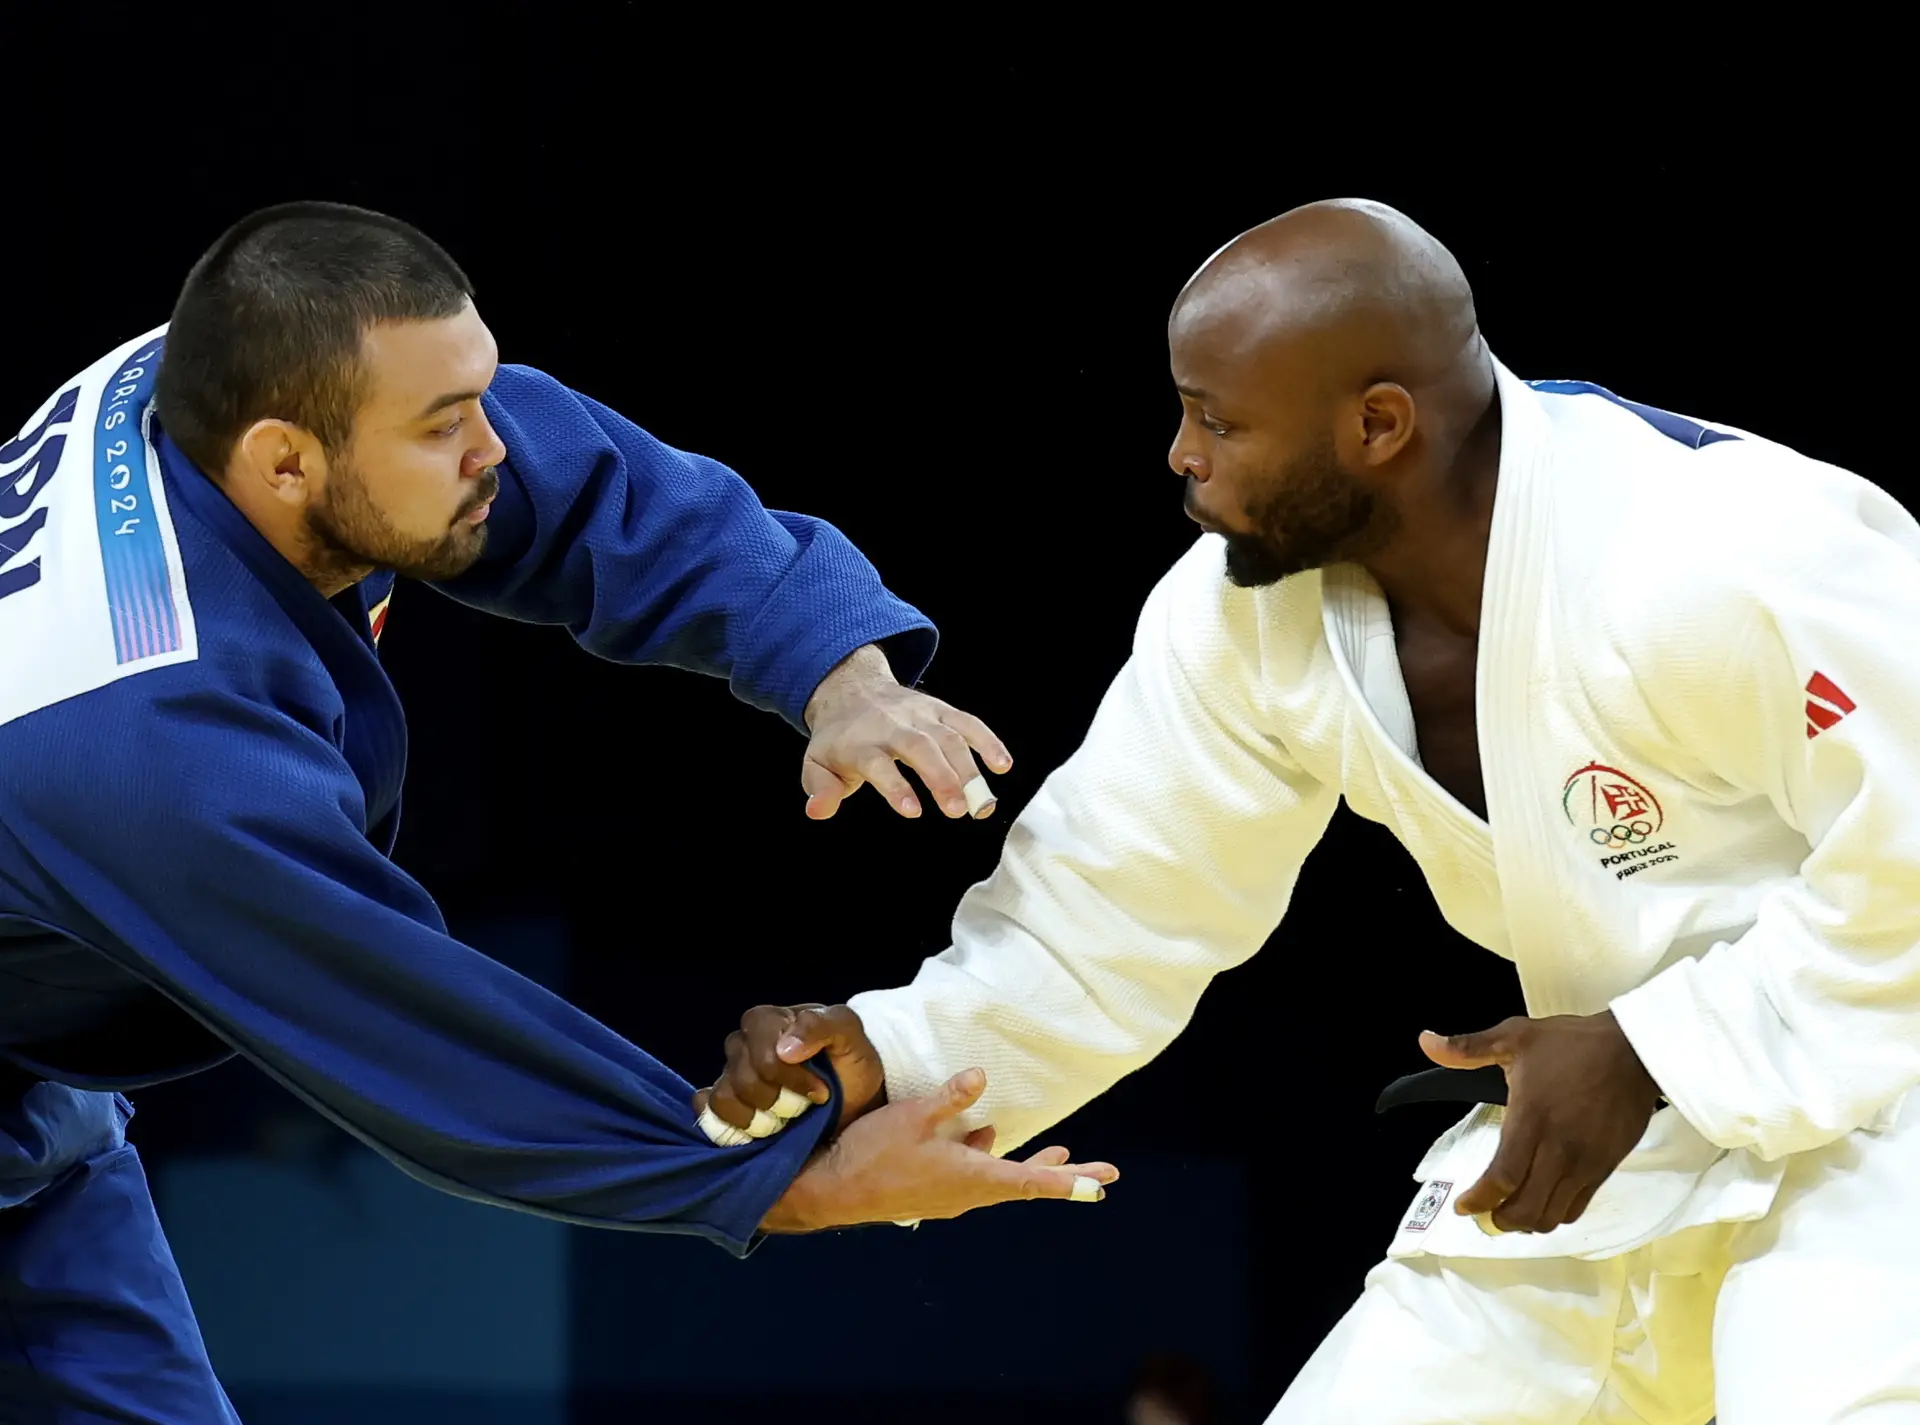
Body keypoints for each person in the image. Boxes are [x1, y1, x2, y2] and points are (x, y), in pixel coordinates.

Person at [699, 199, 1920, 1422]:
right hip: (1601, 1130)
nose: (1180, 454)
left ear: (1379, 425)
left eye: (1217, 420)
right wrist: (890, 1056)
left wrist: (1662, 1046)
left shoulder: (1723, 547)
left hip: (1883, 1109)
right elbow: (1115, 905)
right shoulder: (1243, 614)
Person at [0, 201, 1114, 1422]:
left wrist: (837, 673)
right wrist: (778, 1183)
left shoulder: (235, 380)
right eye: (444, 426)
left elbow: (595, 496)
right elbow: (404, 1029)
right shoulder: (147, 742)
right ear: (283, 462)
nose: (492, 447)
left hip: (37, 1113)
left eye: (477, 394)